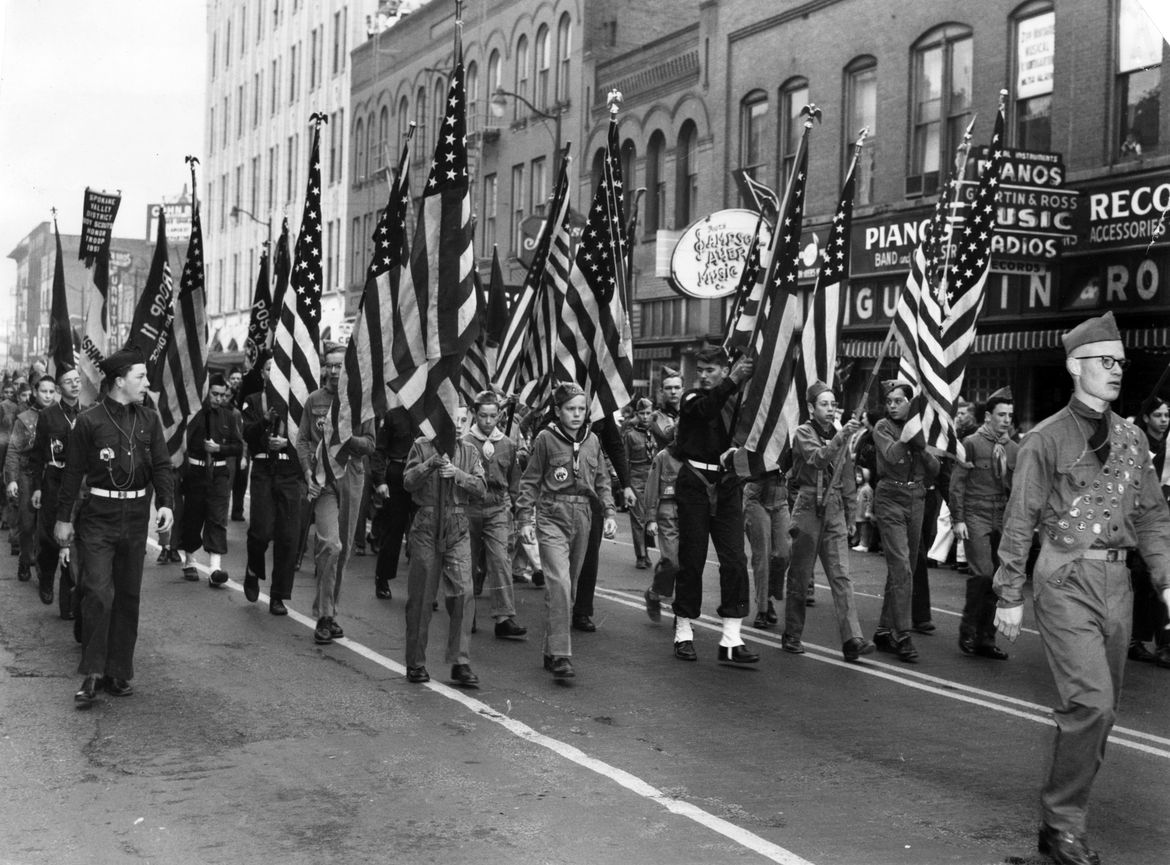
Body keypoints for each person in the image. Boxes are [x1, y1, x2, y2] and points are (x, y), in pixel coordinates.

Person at [993, 311, 1170, 865]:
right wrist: (1009, 594)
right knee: (1089, 703)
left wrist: (1166, 579)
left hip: (1119, 584)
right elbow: (1020, 518)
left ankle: (1055, 830)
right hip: (1067, 580)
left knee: (1104, 712)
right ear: (1076, 366)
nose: (1117, 371)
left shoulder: (1132, 438)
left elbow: (1151, 517)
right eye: (1105, 362)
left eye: (1121, 362)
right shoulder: (1045, 439)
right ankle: (1065, 825)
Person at [54, 348, 175, 707]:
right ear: (119, 381)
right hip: (98, 516)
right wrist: (63, 519)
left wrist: (165, 503)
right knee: (97, 592)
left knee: (127, 595)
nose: (147, 383)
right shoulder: (89, 422)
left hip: (136, 516)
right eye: (141, 377)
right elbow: (72, 474)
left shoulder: (149, 419)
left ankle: (118, 670)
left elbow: (162, 466)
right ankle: (92, 673)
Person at [516, 383, 617, 680]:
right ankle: (561, 655)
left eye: (581, 409)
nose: (576, 414)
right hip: (551, 514)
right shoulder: (546, 439)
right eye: (570, 409)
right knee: (558, 582)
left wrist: (609, 511)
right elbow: (531, 480)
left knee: (568, 586)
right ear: (558, 411)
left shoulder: (593, 440)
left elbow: (601, 480)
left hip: (583, 515)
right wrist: (524, 518)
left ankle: (551, 649)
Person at [672, 346, 757, 665]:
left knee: (735, 559)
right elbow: (708, 409)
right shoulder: (692, 399)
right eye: (701, 371)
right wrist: (733, 380)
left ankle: (732, 638)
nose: (704, 376)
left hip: (727, 484)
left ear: (723, 369)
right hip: (694, 482)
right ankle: (683, 631)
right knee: (691, 559)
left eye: (711, 370)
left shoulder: (736, 402)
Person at [781, 382, 874, 662]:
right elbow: (819, 459)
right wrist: (844, 434)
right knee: (800, 575)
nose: (830, 408)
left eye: (833, 404)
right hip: (809, 505)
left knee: (841, 575)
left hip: (833, 506)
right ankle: (792, 634)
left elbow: (846, 475)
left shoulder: (838, 433)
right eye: (824, 404)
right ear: (811, 408)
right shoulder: (803, 432)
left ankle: (852, 639)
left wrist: (849, 515)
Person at [296, 343, 376, 646]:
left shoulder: (362, 402)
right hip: (323, 480)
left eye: (339, 365)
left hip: (352, 477)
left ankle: (329, 611)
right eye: (329, 365)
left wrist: (347, 439)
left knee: (342, 550)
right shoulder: (314, 400)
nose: (333, 371)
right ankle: (324, 614)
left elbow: (370, 444)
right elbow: (303, 440)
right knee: (329, 544)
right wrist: (306, 471)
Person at [402, 403, 486, 685]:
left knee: (464, 591)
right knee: (422, 596)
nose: (459, 424)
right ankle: (415, 661)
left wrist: (458, 476)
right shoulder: (422, 446)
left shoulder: (470, 451)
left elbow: (481, 488)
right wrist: (430, 465)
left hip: (458, 525)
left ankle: (460, 661)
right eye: (454, 418)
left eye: (464, 419)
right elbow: (408, 482)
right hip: (427, 523)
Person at [871, 380, 939, 663]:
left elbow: (934, 469)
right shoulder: (882, 428)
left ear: (910, 403)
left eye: (898, 401)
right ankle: (902, 635)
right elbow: (890, 455)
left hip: (917, 497)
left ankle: (884, 630)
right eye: (889, 401)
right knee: (901, 568)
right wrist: (908, 437)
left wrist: (922, 447)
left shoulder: (922, 428)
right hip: (890, 497)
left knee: (905, 568)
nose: (892, 406)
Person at [951, 387, 1018, 661]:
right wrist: (958, 519)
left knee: (998, 579)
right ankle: (968, 630)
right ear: (988, 416)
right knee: (982, 574)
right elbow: (958, 484)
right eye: (1001, 414)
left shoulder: (1014, 448)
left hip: (1001, 515)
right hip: (976, 512)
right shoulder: (971, 443)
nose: (1006, 420)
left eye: (1010, 415)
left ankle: (986, 639)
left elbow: (1017, 488)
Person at [240, 354, 303, 613]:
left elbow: (310, 438)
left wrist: (288, 444)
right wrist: (265, 420)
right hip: (264, 470)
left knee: (288, 536)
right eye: (269, 368)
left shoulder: (297, 403)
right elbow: (246, 434)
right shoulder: (253, 401)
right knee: (262, 531)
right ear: (263, 373)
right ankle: (254, 568)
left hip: (289, 471)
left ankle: (278, 595)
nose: (274, 373)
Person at [463, 390, 527, 639]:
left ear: (500, 415)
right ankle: (466, 613)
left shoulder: (508, 445)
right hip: (469, 508)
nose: (488, 422)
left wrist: (518, 515)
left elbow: (514, 484)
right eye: (482, 416)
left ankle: (504, 617)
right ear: (474, 414)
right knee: (467, 563)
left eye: (492, 416)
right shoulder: (466, 443)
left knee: (500, 560)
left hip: (497, 508)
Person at [178, 374, 243, 586]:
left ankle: (215, 568)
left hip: (219, 474)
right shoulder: (195, 415)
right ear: (206, 392)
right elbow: (183, 441)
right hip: (196, 472)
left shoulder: (229, 416)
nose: (218, 398)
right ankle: (189, 560)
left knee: (217, 518)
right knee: (193, 517)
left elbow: (238, 446)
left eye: (222, 395)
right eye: (214, 394)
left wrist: (220, 449)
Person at [29, 366, 83, 615]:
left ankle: (67, 605)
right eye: (69, 382)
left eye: (77, 380)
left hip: (79, 483)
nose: (75, 385)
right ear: (60, 389)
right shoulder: (49, 416)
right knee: (52, 537)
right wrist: (37, 488)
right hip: (54, 479)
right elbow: (38, 455)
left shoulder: (89, 413)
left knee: (74, 540)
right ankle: (47, 577)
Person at [1127, 394, 1170, 667]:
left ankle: (1165, 644)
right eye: (1158, 415)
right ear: (1146, 418)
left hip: (1164, 518)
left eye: (1167, 415)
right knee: (1144, 582)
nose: (1164, 421)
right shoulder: (1135, 443)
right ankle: (1137, 639)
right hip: (1139, 520)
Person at [5, 375, 56, 583]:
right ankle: (25, 559)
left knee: (48, 526)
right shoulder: (24, 418)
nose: (48, 395)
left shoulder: (59, 416)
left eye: (52, 391)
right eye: (44, 391)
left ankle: (45, 568)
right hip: (27, 474)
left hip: (51, 475)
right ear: (35, 392)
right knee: (27, 524)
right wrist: (12, 479)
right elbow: (14, 450)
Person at [370, 404, 414, 600]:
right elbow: (379, 450)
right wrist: (380, 480)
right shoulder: (393, 416)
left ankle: (423, 587)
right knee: (393, 531)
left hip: (424, 475)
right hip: (398, 474)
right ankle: (383, 579)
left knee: (424, 533)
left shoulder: (431, 412)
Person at [743, 466, 788, 629]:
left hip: (781, 493)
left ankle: (767, 595)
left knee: (783, 554)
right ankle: (762, 608)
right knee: (762, 555)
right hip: (756, 493)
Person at [642, 439, 682, 621]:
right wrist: (650, 519)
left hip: (691, 512)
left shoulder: (695, 457)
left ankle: (682, 614)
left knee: (689, 565)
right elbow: (651, 488)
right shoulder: (663, 457)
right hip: (668, 511)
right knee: (671, 561)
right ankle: (654, 592)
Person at [623, 397, 656, 569]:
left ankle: (651, 551)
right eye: (642, 413)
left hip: (656, 477)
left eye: (648, 413)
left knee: (655, 517)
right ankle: (641, 555)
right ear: (636, 414)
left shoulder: (659, 432)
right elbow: (625, 460)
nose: (645, 417)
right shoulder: (630, 435)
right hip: (636, 477)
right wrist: (625, 485)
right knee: (638, 518)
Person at [228, 368, 248, 522]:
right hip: (228, 444)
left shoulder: (244, 396)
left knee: (241, 481)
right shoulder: (225, 399)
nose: (236, 380)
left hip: (242, 442)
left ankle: (237, 511)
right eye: (233, 378)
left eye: (238, 378)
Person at [648, 367, 683, 452]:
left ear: (683, 390)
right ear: (661, 391)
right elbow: (667, 436)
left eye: (677, 387)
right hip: (665, 463)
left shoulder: (686, 412)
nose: (673, 392)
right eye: (668, 388)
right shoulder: (655, 416)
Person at [852, 468, 874, 552]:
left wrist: (868, 511)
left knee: (864, 529)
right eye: (857, 476)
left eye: (860, 476)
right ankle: (860, 542)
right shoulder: (860, 487)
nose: (857, 478)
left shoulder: (867, 489)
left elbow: (870, 501)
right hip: (859, 513)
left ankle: (864, 544)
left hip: (863, 513)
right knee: (860, 529)